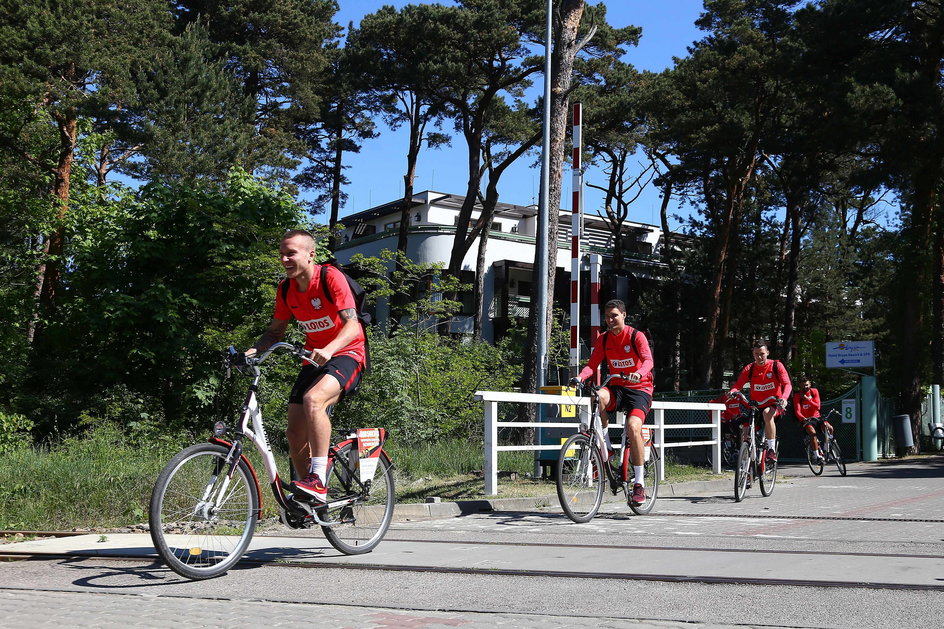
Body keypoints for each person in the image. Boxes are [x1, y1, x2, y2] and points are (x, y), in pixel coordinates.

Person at [245, 229, 366, 503]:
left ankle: (319, 480)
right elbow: (275, 333)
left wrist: (329, 349)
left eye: (291, 253)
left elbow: (352, 324)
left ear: (311, 255)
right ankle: (306, 495)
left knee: (314, 400)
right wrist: (249, 352)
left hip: (348, 353)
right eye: (281, 254)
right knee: (295, 432)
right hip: (314, 359)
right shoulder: (286, 289)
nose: (285, 259)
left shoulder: (329, 278)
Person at [571, 299, 654, 506]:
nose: (610, 320)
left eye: (614, 316)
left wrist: (639, 373)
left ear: (624, 315)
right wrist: (581, 377)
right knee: (597, 396)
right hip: (616, 387)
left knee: (633, 426)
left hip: (639, 389)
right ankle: (605, 445)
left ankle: (639, 484)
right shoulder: (604, 339)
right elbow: (592, 365)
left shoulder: (636, 336)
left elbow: (648, 361)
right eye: (607, 317)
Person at [727, 339, 792, 463]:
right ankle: (746, 463)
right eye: (756, 354)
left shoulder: (776, 366)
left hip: (774, 404)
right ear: (753, 354)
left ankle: (771, 450)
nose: (759, 357)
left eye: (762, 353)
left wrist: (784, 398)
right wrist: (732, 391)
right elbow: (738, 385)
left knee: (767, 413)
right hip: (756, 406)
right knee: (745, 431)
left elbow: (787, 384)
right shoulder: (750, 368)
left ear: (767, 352)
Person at [794, 376, 831, 462]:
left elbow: (817, 407)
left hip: (817, 417)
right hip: (807, 420)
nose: (805, 387)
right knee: (812, 433)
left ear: (810, 384)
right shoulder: (797, 396)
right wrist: (803, 418)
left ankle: (826, 449)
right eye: (803, 385)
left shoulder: (814, 392)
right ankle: (816, 456)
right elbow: (797, 411)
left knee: (829, 428)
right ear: (800, 386)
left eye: (807, 385)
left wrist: (808, 399)